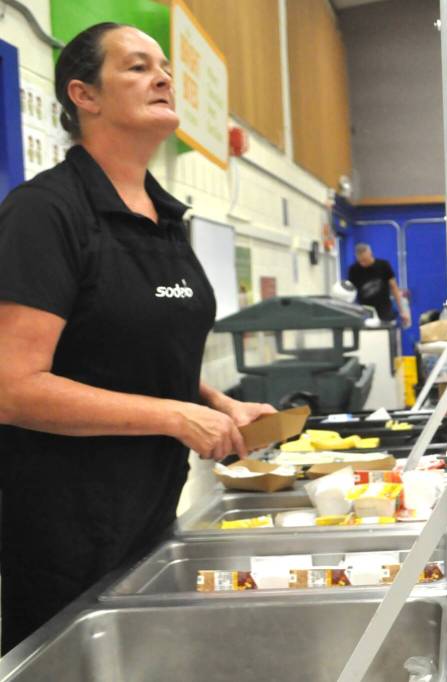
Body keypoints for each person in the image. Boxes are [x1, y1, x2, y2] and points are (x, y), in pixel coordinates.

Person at [0, 23, 276, 653]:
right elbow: (12, 389)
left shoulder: (166, 217)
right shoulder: (44, 214)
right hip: (66, 534)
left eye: (164, 67)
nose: (163, 78)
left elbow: (133, 347)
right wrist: (173, 414)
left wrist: (214, 404)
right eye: (136, 67)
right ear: (84, 95)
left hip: (152, 514)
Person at [347, 243, 411, 327]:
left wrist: (402, 311)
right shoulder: (353, 270)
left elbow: (394, 288)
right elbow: (350, 292)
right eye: (360, 261)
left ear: (370, 254)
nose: (363, 263)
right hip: (365, 311)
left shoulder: (383, 266)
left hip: (384, 310)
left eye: (365, 260)